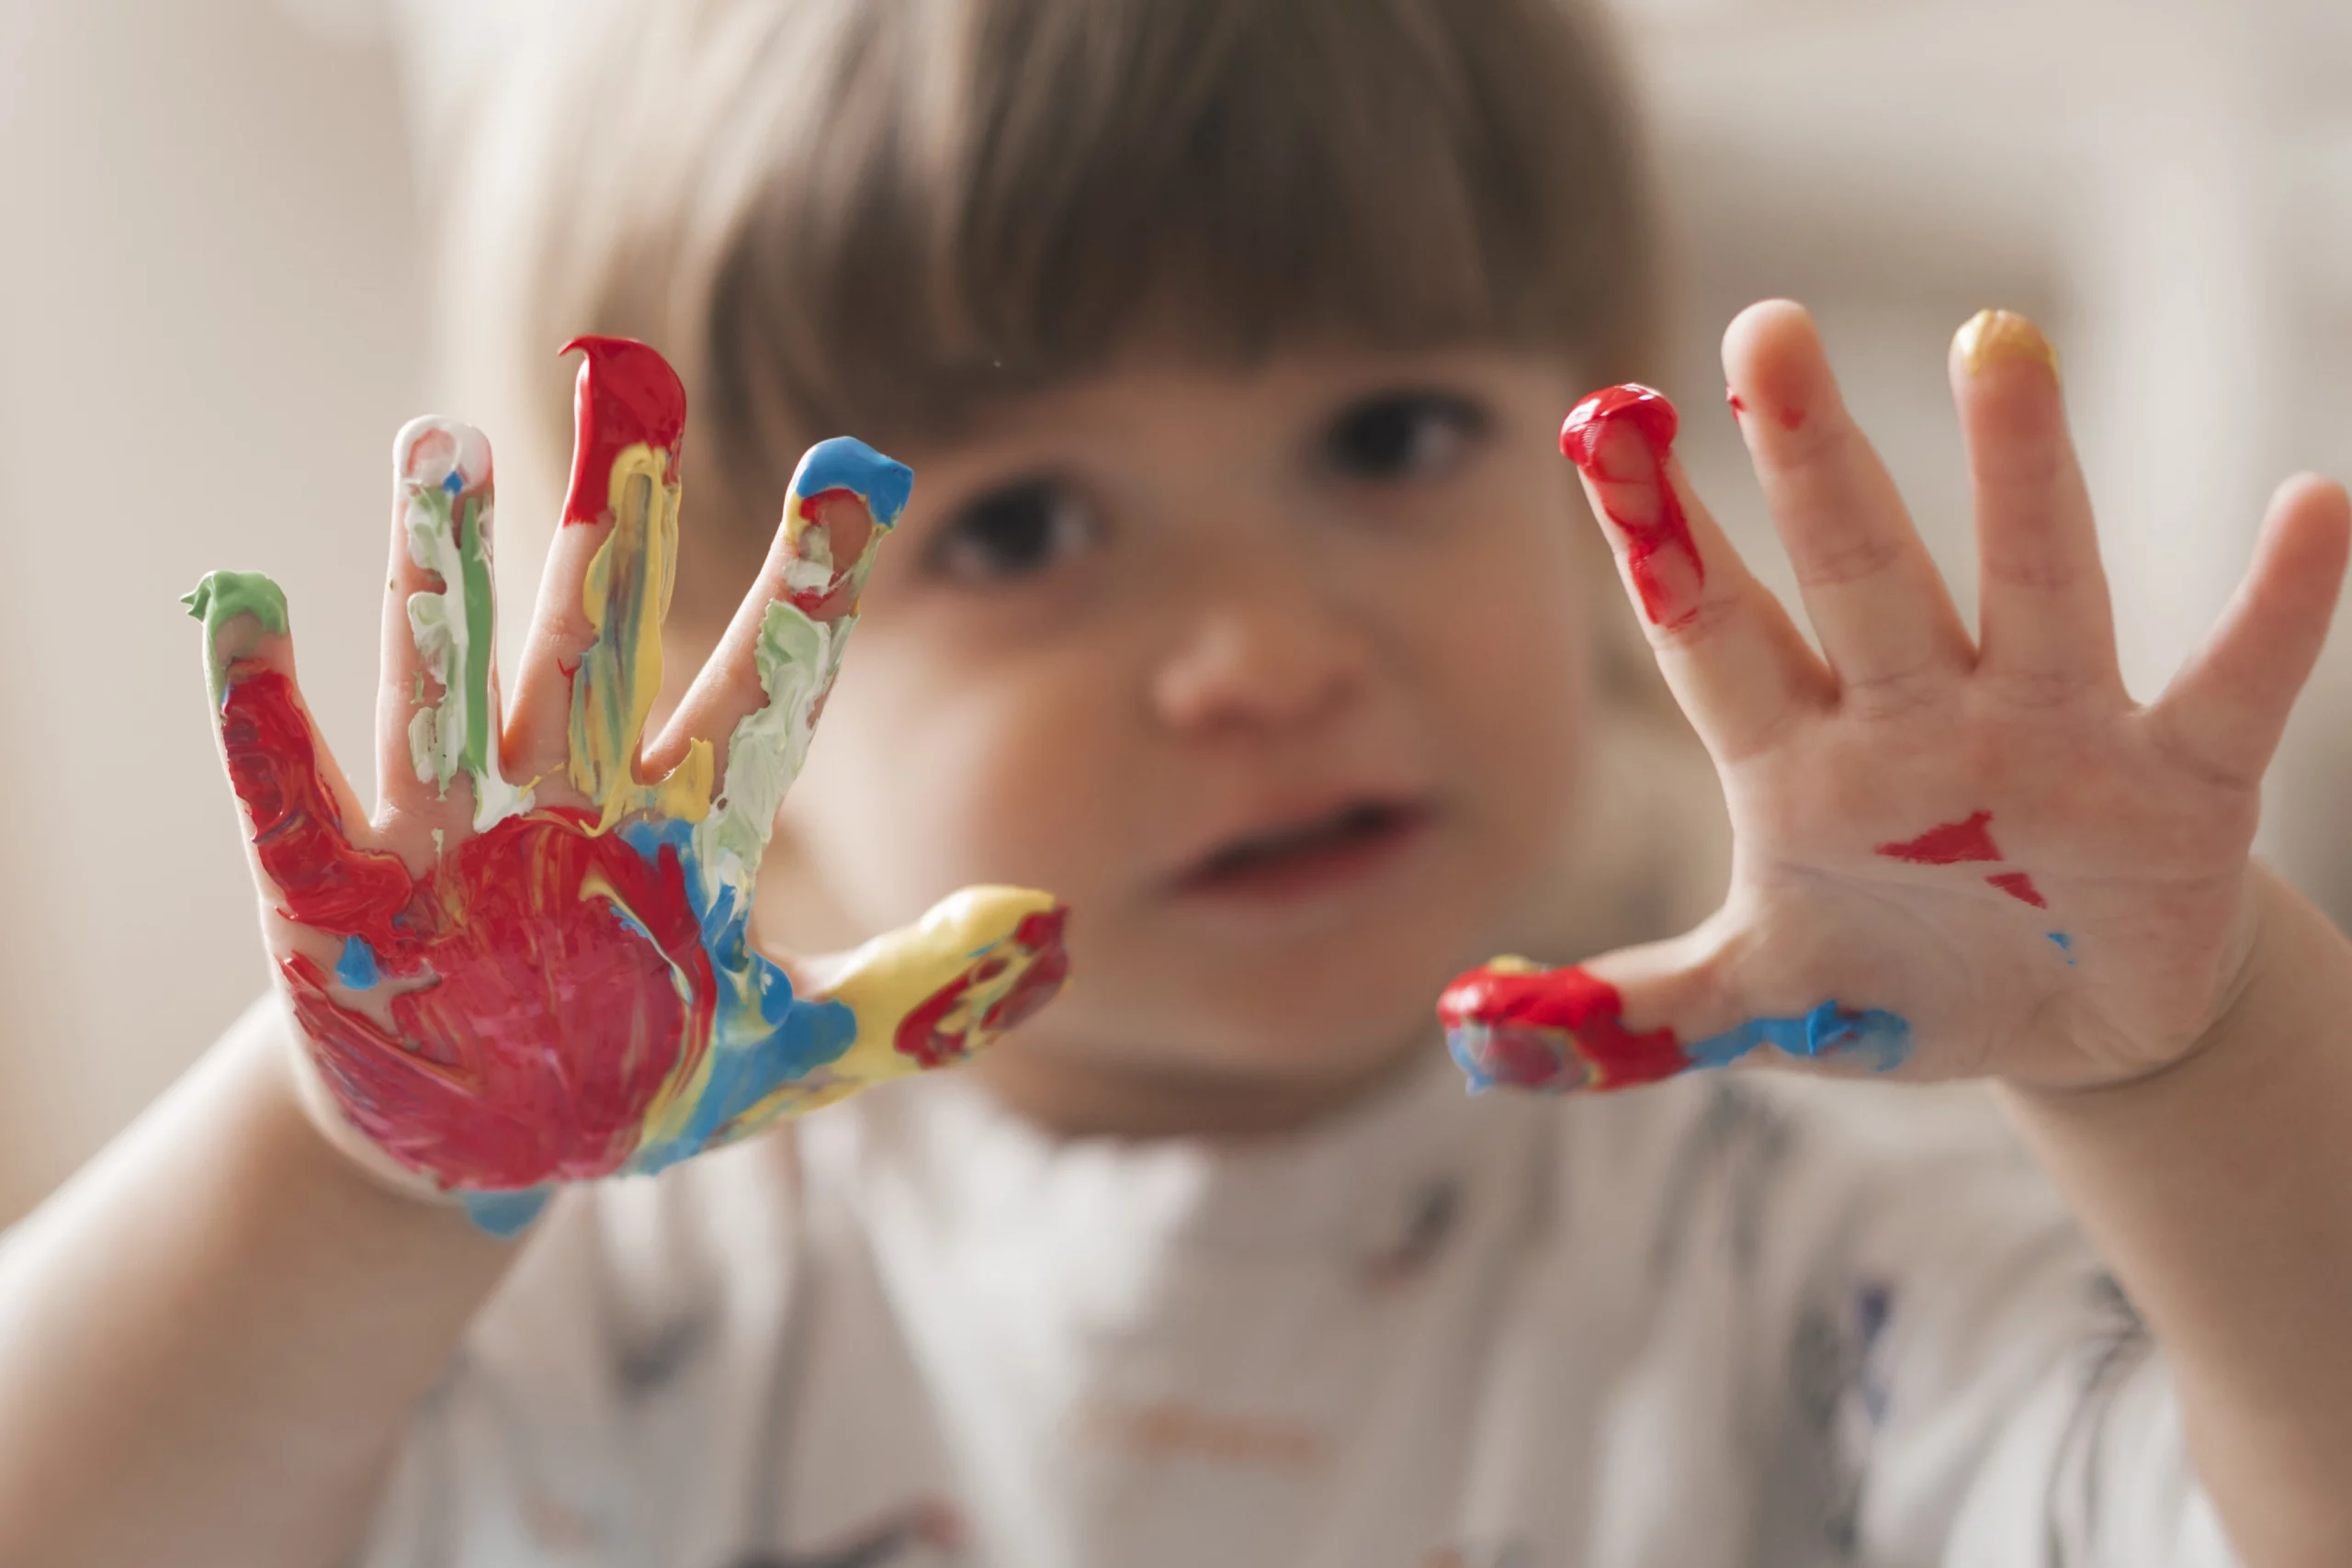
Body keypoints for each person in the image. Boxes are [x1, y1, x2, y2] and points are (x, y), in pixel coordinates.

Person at [4, 0, 2350, 1563]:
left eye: (1386, 436)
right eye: (1020, 525)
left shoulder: (1779, 1252)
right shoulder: (640, 1288)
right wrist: (361, 1174)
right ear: (721, 668)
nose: (1260, 653)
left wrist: (2205, 1055)